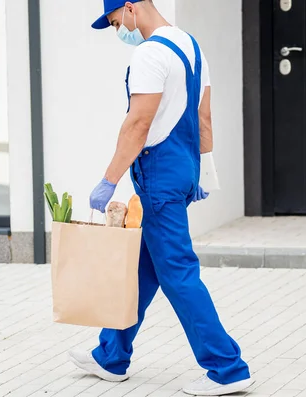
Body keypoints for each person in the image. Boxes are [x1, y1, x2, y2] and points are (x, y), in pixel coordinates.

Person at [68, 1, 254, 395]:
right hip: (181, 167)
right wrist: (203, 170)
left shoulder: (150, 53)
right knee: (143, 271)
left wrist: (109, 180)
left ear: (131, 8)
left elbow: (138, 123)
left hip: (158, 176)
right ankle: (111, 356)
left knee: (178, 272)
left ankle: (227, 368)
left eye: (118, 22)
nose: (120, 31)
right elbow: (203, 117)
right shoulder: (192, 47)